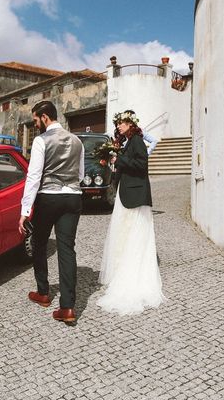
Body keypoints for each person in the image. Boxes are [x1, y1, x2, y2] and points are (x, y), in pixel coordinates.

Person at [19, 100, 85, 324]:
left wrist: (25, 210)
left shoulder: (41, 140)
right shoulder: (77, 141)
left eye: (36, 119)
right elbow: (81, 174)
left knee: (39, 242)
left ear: (45, 117)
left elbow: (34, 176)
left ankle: (43, 292)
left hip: (49, 197)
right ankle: (67, 307)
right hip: (74, 197)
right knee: (67, 248)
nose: (35, 123)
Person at [97, 110, 165, 315]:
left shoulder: (136, 141)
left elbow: (142, 165)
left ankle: (132, 273)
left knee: (134, 235)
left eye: (122, 123)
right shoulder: (128, 141)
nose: (118, 126)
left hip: (135, 196)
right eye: (118, 123)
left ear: (131, 124)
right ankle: (124, 268)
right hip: (127, 194)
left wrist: (119, 160)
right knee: (126, 235)